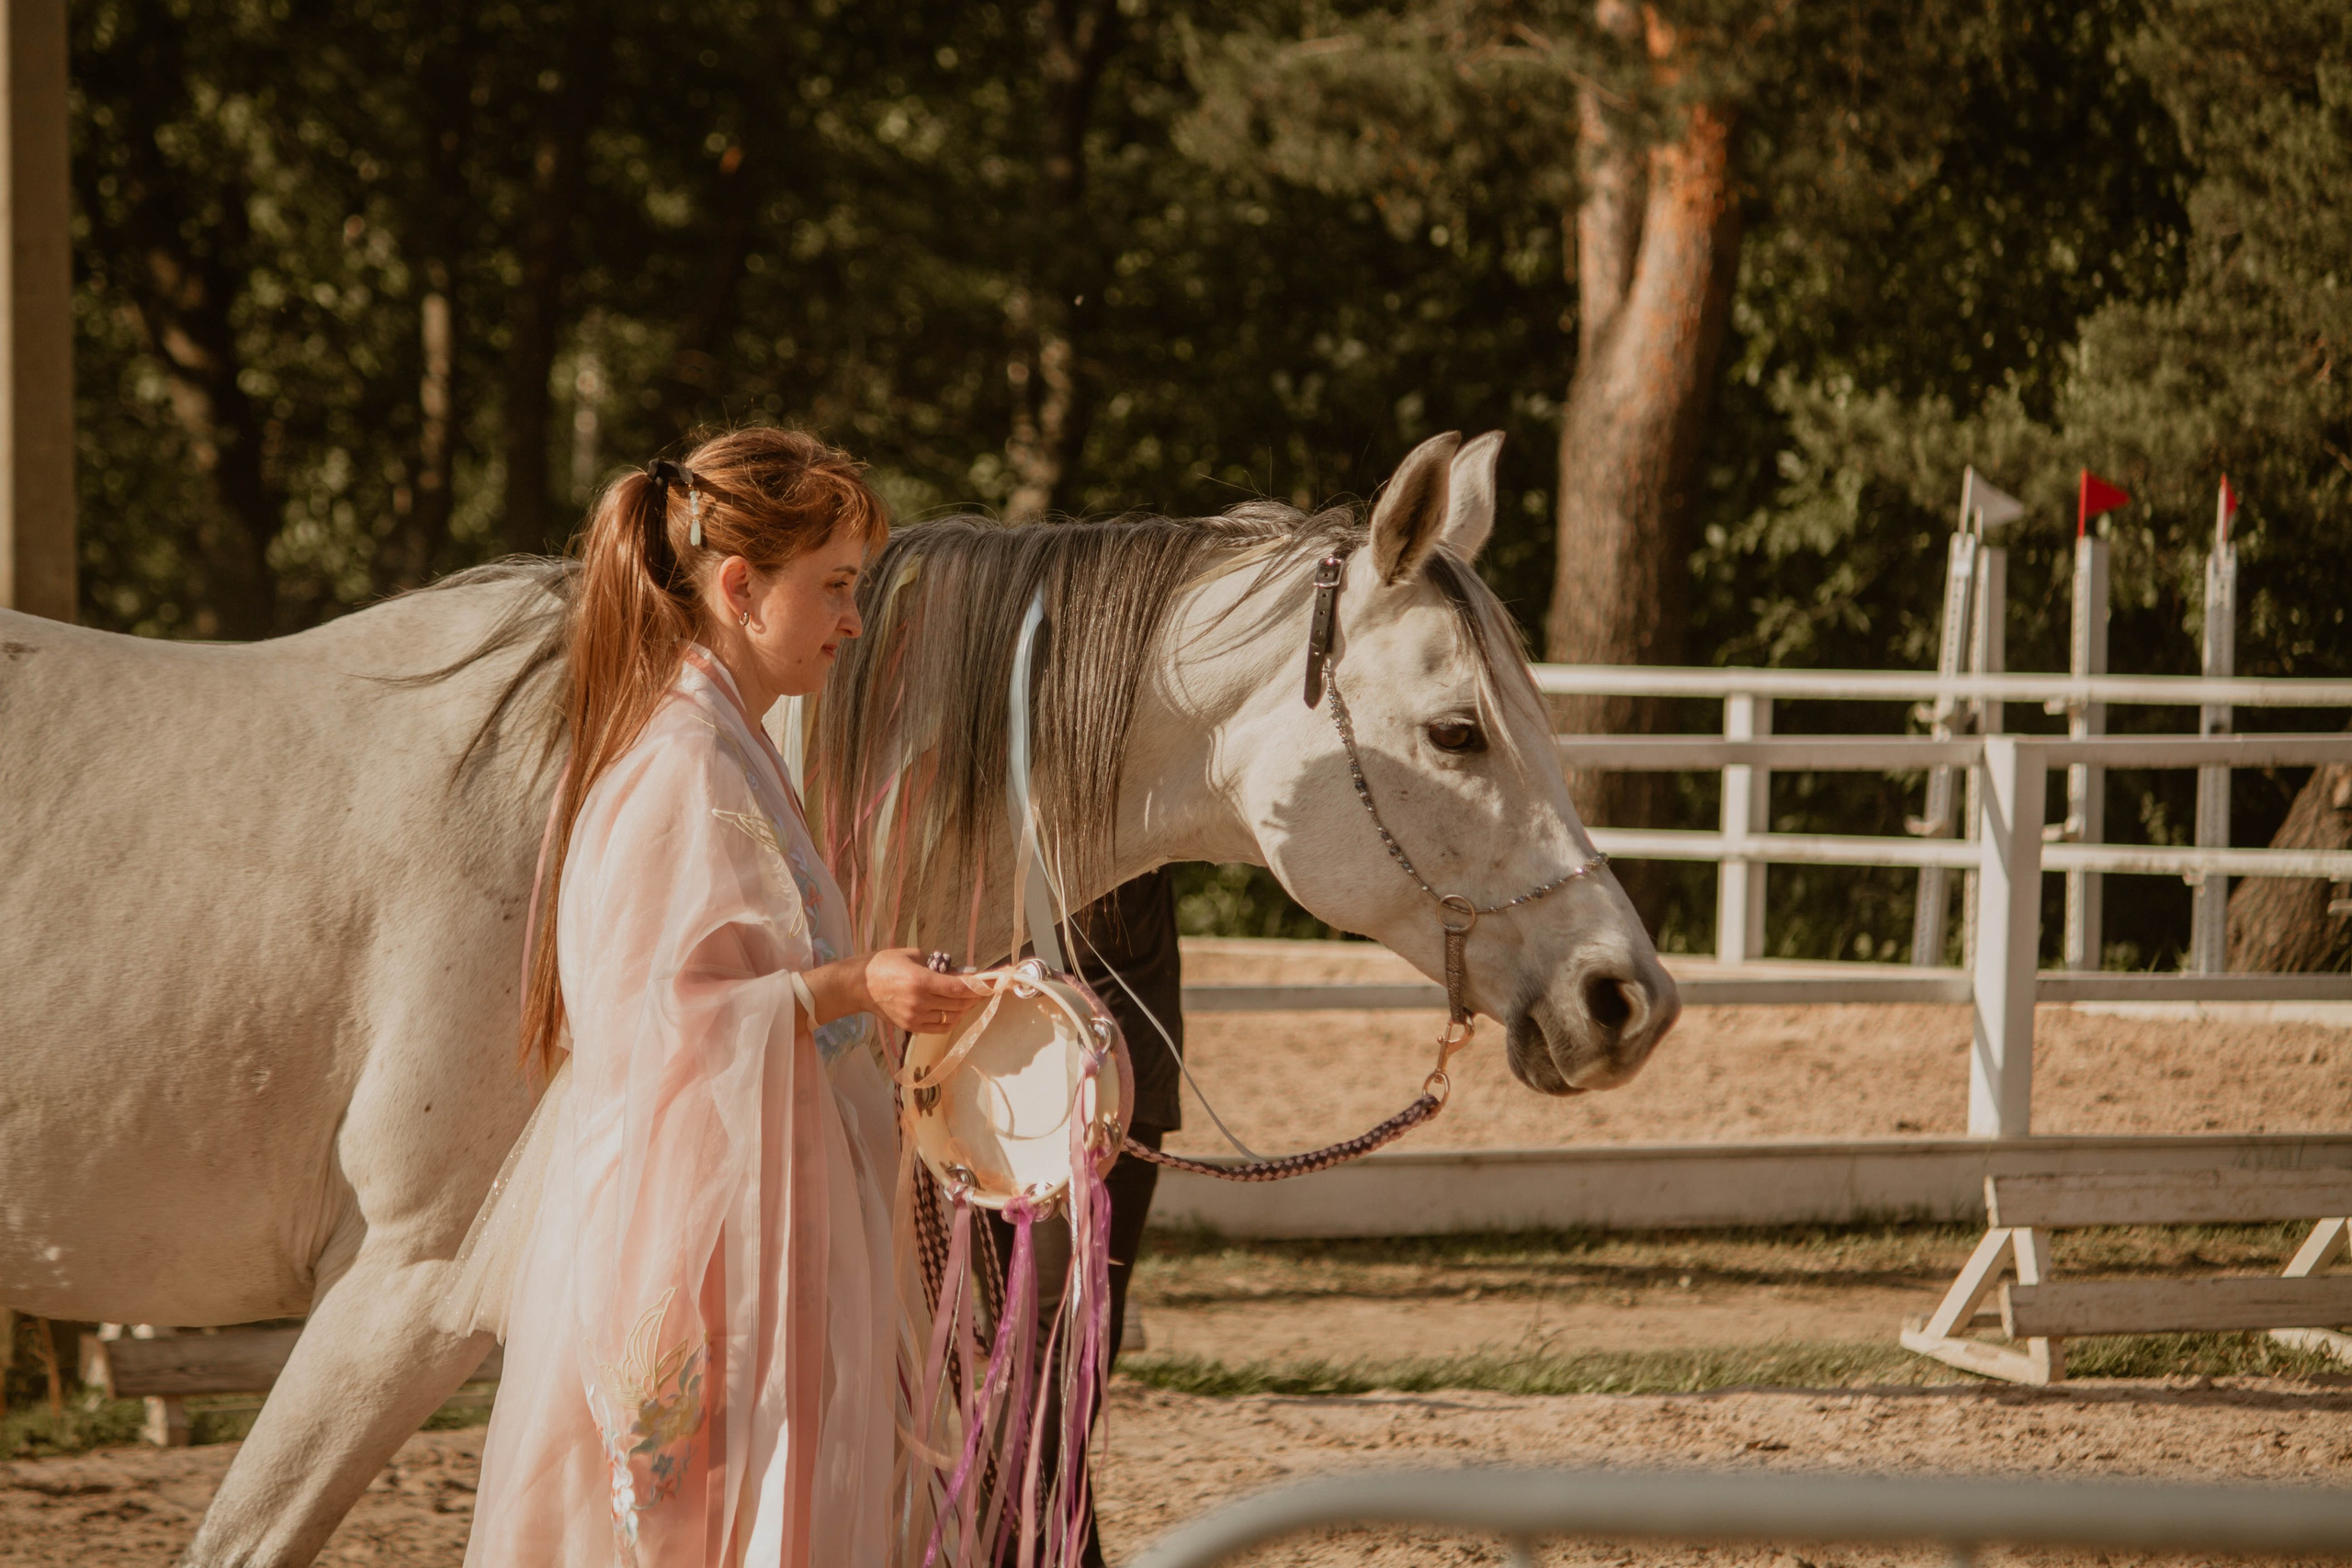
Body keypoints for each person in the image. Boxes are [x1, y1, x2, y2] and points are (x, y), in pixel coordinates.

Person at [458, 428, 984, 1567]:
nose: (854, 619)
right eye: (835, 587)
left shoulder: (730, 748)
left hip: (753, 1217)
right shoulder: (682, 765)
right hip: (707, 1244)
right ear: (740, 588)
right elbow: (664, 1025)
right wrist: (857, 982)